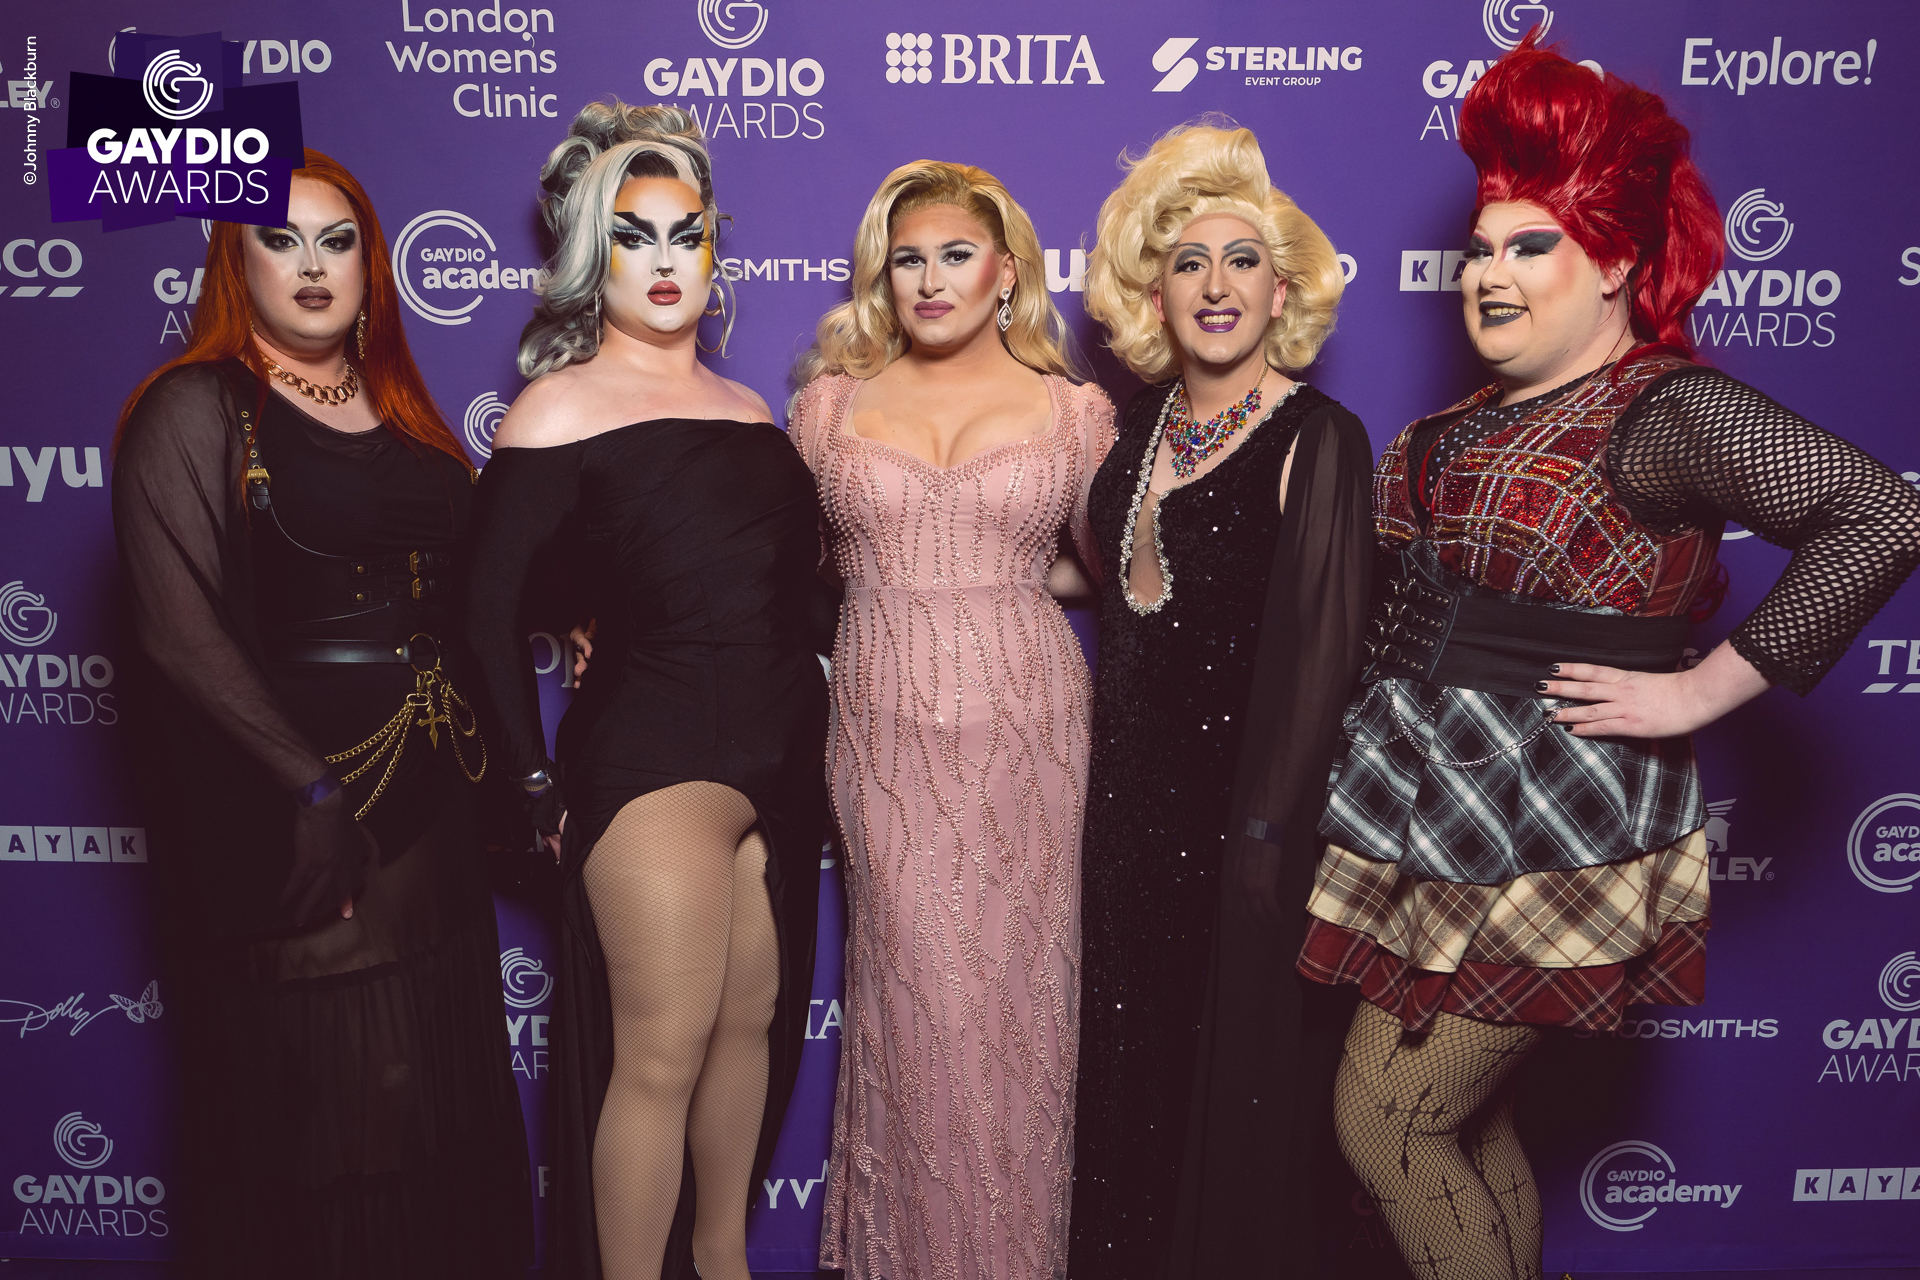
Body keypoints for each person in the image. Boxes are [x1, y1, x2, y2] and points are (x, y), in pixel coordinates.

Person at [1297, 39, 1920, 1280]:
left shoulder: (1664, 409)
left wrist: (1701, 688)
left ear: (1618, 262)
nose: (1490, 274)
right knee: (1471, 1122)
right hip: (1425, 813)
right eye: (1480, 249)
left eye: (1530, 247)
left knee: (1390, 1119)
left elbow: (1881, 513)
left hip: (1552, 826)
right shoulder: (1447, 427)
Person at [111, 149, 531, 1280]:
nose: (311, 263)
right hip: (304, 805)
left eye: (336, 240)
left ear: (369, 265)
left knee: (432, 1099)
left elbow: (468, 585)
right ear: (234, 262)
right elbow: (176, 630)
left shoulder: (406, 412)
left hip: (437, 802)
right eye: (280, 238)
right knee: (340, 1118)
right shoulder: (197, 405)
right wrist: (306, 790)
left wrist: (579, 606)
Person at [462, 101, 829, 1280]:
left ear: (715, 251)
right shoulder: (559, 404)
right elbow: (480, 605)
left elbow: (754, 573)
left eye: (686, 234)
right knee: (661, 1053)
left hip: (779, 757)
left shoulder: (750, 410)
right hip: (654, 759)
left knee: (746, 1032)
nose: (664, 261)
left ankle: (721, 1264)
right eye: (633, 236)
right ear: (592, 255)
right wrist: (530, 783)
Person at [787, 160, 1114, 1280]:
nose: (929, 280)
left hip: (1029, 729)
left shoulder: (1074, 412)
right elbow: (783, 565)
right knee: (917, 993)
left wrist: (992, 577)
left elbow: (1109, 572)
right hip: (881, 727)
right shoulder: (829, 405)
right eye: (908, 260)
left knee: (1019, 998)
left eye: (956, 256)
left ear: (1006, 273)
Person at [1068, 123, 1374, 1280]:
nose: (1215, 284)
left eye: (1242, 260)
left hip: (1250, 826)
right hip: (1127, 821)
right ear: (1156, 292)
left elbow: (1327, 666)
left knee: (1243, 1096)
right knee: (1133, 1081)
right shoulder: (1135, 432)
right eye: (1188, 262)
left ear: (1281, 290)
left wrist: (1265, 839)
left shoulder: (1318, 438)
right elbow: (1107, 586)